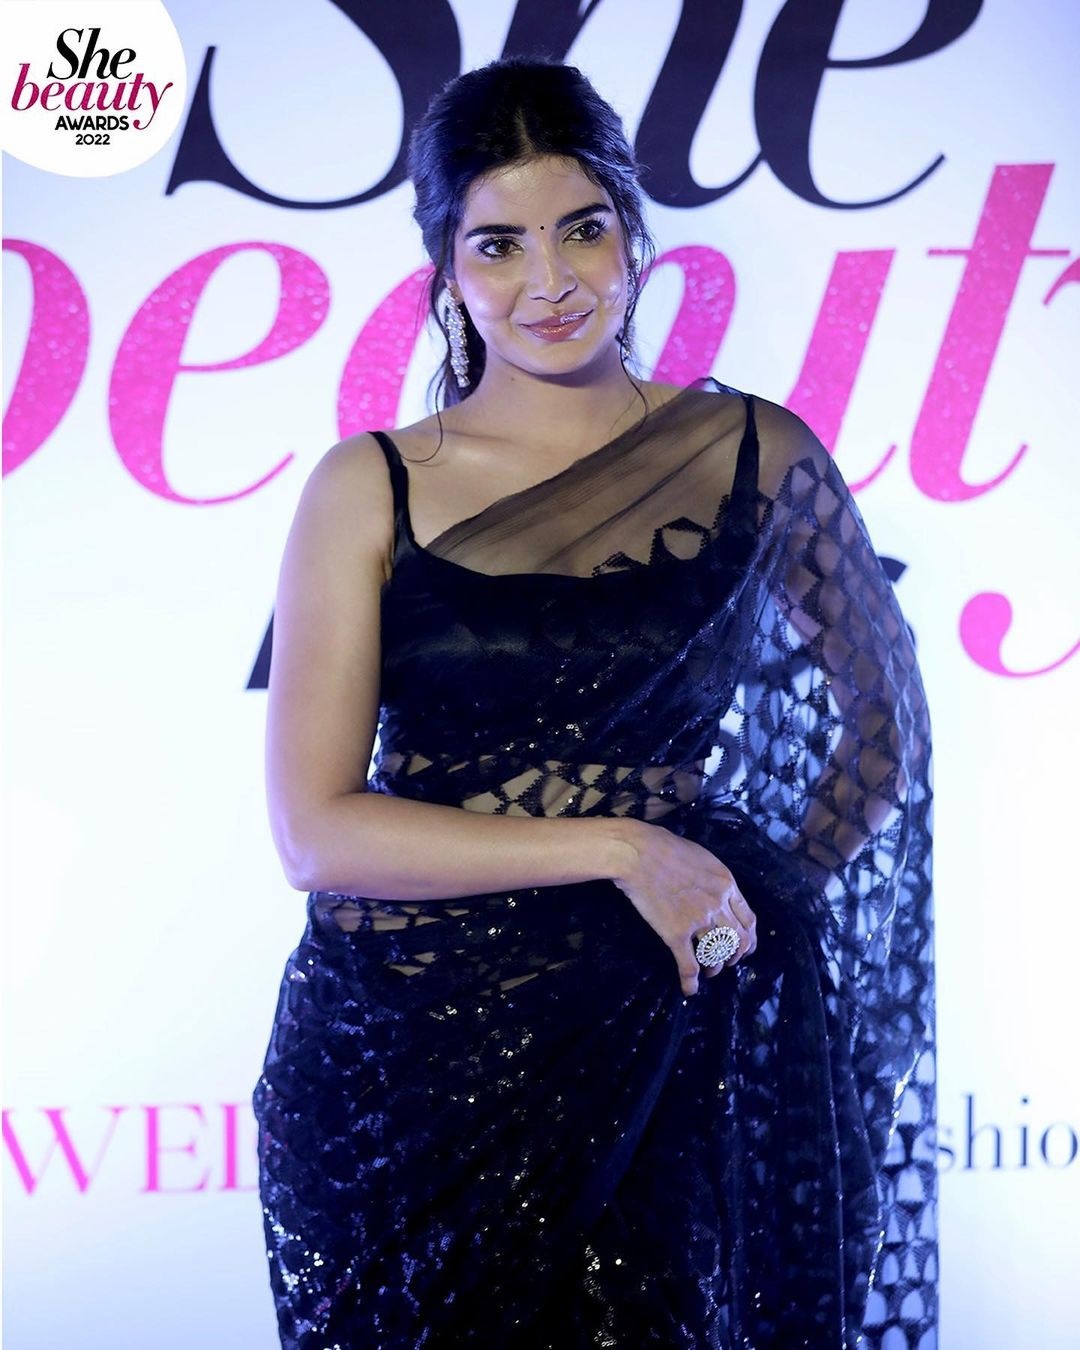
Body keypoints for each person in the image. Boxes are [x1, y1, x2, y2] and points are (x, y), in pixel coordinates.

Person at [253, 56, 935, 1350]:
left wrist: (745, 906)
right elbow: (314, 831)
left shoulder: (754, 455)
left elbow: (882, 727)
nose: (551, 280)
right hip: (409, 1057)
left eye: (582, 228)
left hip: (665, 1037)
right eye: (498, 244)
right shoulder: (369, 485)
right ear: (446, 267)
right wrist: (629, 850)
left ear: (633, 230)